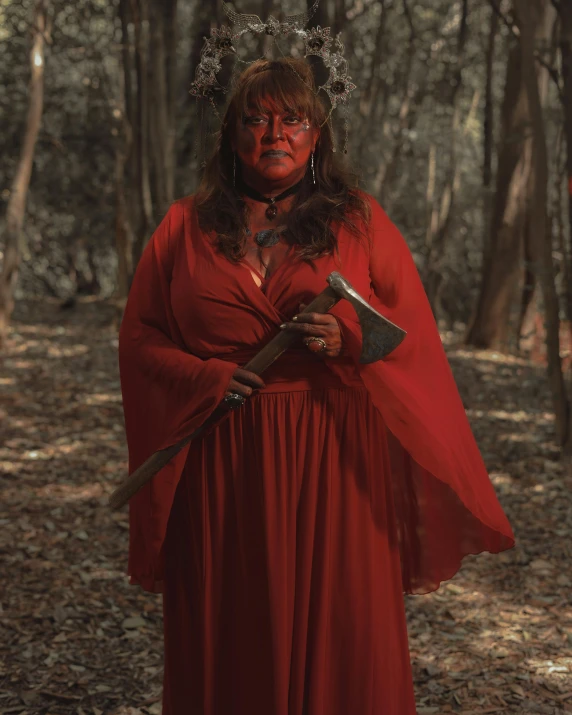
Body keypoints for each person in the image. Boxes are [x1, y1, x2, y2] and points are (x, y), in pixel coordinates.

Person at [118, 57, 514, 715]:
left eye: (292, 119)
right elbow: (140, 341)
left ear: (318, 134)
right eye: (255, 118)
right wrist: (206, 376)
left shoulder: (360, 221)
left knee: (344, 629)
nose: (273, 133)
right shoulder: (182, 227)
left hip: (337, 462)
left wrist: (348, 337)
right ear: (230, 135)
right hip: (225, 462)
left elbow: (410, 336)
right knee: (233, 633)